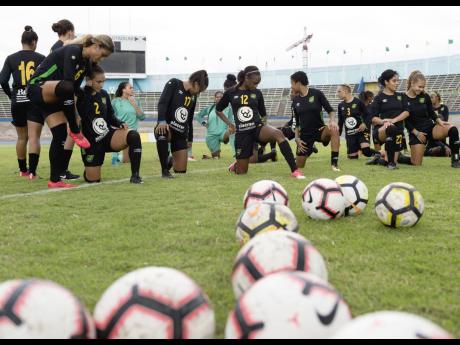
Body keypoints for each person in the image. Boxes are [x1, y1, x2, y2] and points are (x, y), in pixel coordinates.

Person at [27, 34, 115, 188]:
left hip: (55, 96)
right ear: (96, 46)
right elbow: (68, 83)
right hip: (37, 87)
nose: (101, 59)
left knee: (60, 134)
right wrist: (74, 120)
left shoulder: (86, 62)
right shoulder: (73, 50)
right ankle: (74, 129)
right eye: (102, 55)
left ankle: (55, 180)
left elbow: (75, 90)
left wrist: (77, 113)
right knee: (68, 88)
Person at [216, 65, 305, 179]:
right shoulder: (230, 93)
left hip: (257, 128)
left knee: (278, 134)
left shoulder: (257, 93)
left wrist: (264, 131)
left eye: (257, 83)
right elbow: (218, 110)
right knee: (242, 172)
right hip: (242, 133)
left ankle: (295, 170)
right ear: (246, 79)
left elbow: (263, 114)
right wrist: (230, 124)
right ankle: (237, 164)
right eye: (254, 83)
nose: (256, 86)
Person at [76, 65, 143, 183]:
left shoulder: (104, 94)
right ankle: (89, 171)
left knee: (133, 135)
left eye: (103, 81)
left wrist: (120, 123)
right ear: (89, 80)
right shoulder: (80, 94)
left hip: (107, 135)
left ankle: (135, 176)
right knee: (93, 180)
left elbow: (110, 116)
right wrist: (87, 90)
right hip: (91, 141)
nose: (101, 85)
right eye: (98, 82)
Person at [0, 26, 45, 180]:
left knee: (21, 138)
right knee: (34, 138)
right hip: (34, 100)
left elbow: (2, 80)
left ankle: (22, 170)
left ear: (22, 41)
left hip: (17, 101)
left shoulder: (11, 58)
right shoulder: (41, 58)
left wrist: (11, 94)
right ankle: (32, 173)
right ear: (33, 42)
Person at [155, 70, 208, 178]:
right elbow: (162, 103)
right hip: (167, 128)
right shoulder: (174, 83)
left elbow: (189, 119)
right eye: (199, 90)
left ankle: (170, 160)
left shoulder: (193, 97)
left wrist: (190, 139)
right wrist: (161, 120)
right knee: (162, 132)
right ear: (196, 83)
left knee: (181, 171)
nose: (198, 93)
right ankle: (164, 171)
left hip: (180, 134)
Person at [404, 70, 459, 167]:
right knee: (416, 163)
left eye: (423, 87)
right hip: (416, 133)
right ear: (412, 83)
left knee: (453, 129)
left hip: (430, 128)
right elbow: (406, 121)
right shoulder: (403, 98)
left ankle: (455, 160)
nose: (421, 89)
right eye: (419, 86)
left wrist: (439, 121)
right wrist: (416, 133)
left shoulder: (425, 96)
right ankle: (400, 157)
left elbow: (431, 112)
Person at [290, 71, 341, 172]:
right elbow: (297, 123)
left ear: (298, 83)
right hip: (305, 134)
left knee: (334, 129)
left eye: (292, 83)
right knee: (299, 166)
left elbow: (331, 111)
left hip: (320, 130)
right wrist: (296, 138)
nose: (291, 87)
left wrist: (332, 121)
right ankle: (310, 147)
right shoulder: (295, 101)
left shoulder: (317, 94)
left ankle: (334, 164)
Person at [50, 19, 80, 180]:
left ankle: (61, 169)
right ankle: (61, 169)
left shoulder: (55, 47)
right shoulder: (64, 48)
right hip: (62, 95)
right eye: (74, 32)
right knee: (67, 132)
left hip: (58, 93)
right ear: (69, 32)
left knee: (66, 133)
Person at [367, 69, 409, 170]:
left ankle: (379, 159)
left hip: (398, 132)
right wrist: (383, 121)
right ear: (386, 82)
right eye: (394, 81)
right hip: (382, 130)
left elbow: (407, 112)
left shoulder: (401, 96)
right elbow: (372, 118)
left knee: (389, 160)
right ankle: (391, 164)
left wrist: (394, 120)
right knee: (390, 128)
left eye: (397, 81)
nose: (397, 83)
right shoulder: (378, 98)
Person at [337, 85, 378, 160]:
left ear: (346, 91)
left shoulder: (358, 102)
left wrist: (364, 123)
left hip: (361, 132)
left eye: (339, 91)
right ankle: (353, 151)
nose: (337, 94)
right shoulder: (340, 106)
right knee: (352, 157)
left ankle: (382, 153)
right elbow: (340, 122)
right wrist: (337, 136)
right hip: (350, 135)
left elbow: (369, 115)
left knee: (366, 151)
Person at [111, 82, 145, 164]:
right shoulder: (115, 101)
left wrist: (134, 104)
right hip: (120, 131)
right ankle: (115, 156)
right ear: (123, 89)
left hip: (132, 133)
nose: (132, 89)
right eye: (130, 87)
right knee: (115, 162)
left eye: (132, 88)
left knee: (127, 161)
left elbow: (142, 117)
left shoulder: (136, 101)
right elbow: (111, 116)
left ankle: (120, 157)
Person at [196, 90, 235, 159]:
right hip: (212, 135)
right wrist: (204, 123)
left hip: (224, 133)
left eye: (221, 97)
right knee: (216, 157)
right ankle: (211, 156)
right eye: (217, 97)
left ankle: (236, 154)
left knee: (232, 131)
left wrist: (231, 128)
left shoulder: (228, 109)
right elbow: (198, 116)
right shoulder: (209, 108)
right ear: (214, 98)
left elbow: (231, 121)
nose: (219, 98)